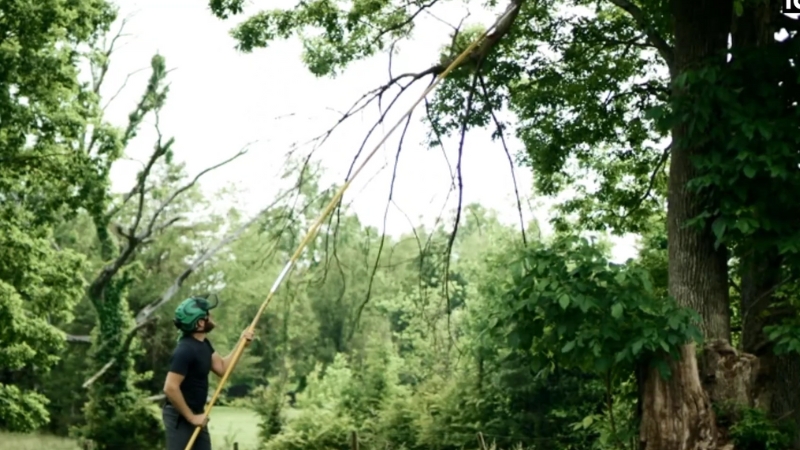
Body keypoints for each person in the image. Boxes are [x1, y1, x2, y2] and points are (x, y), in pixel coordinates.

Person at [161, 295, 255, 450]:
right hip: (180, 417)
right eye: (208, 314)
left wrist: (242, 343)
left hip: (197, 415)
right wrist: (191, 418)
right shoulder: (184, 350)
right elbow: (170, 387)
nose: (211, 316)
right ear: (199, 323)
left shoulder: (203, 344)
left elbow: (223, 368)